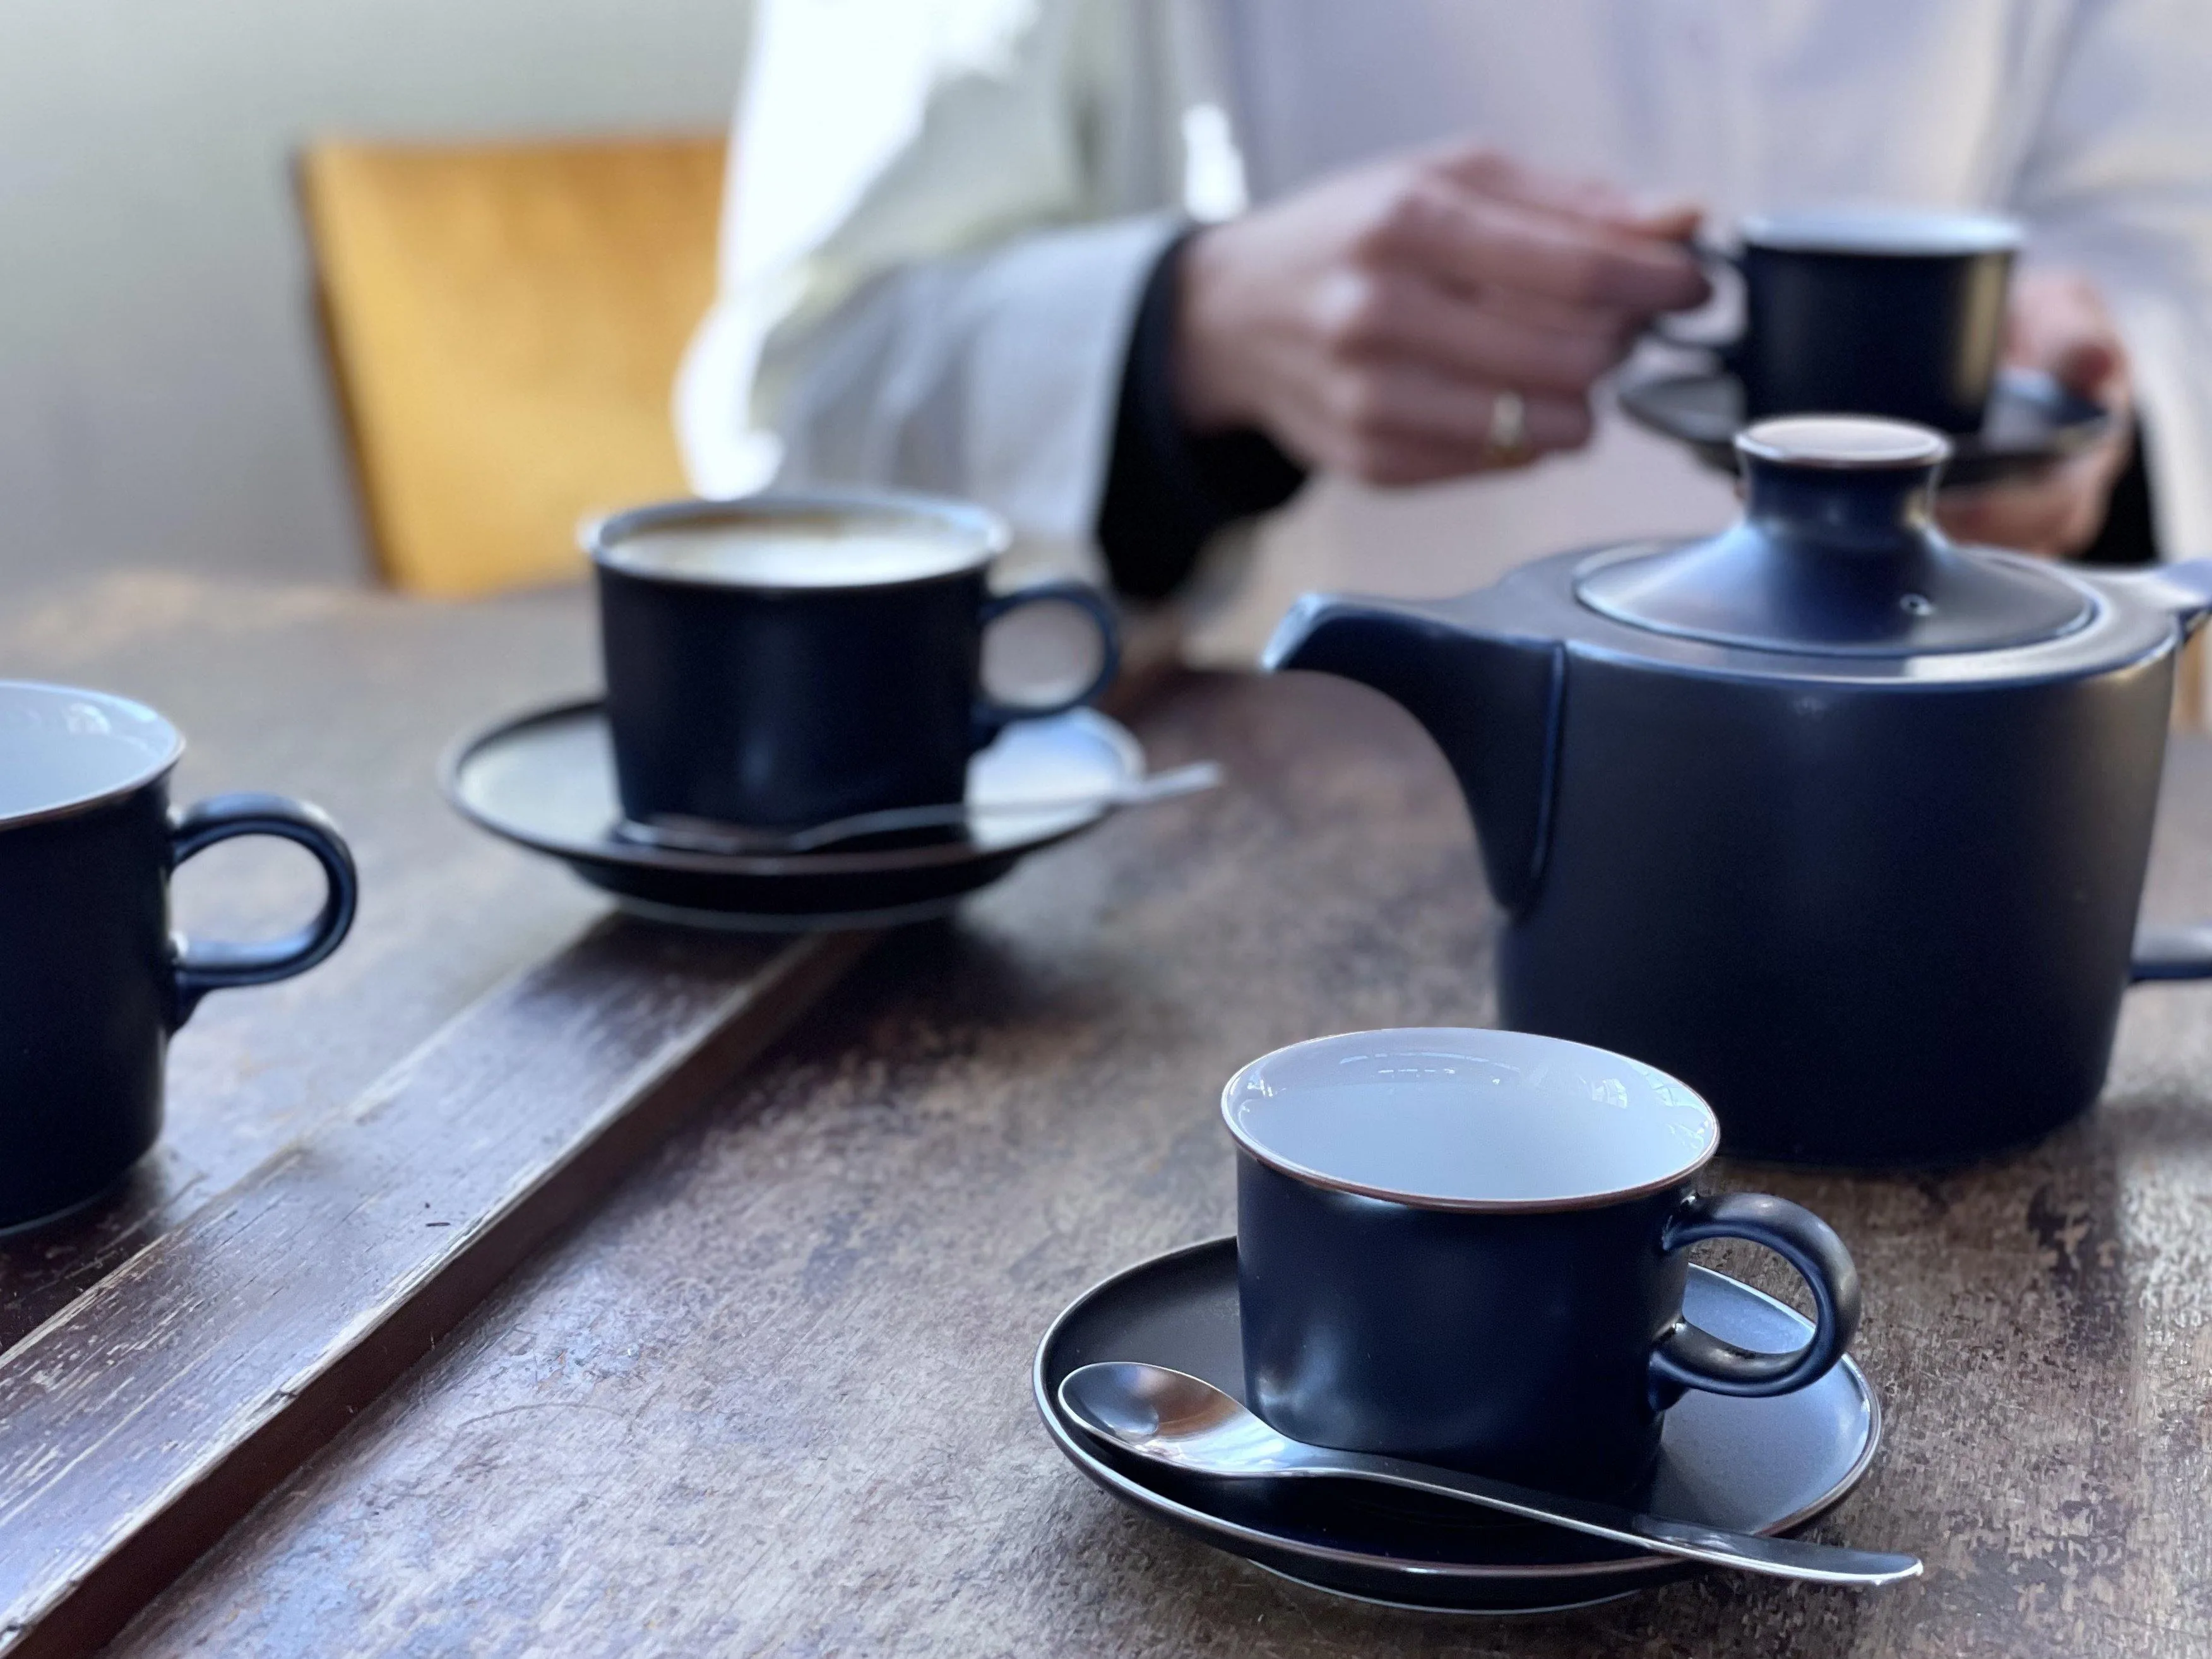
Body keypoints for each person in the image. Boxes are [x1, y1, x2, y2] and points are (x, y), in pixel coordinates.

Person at [678, 1, 2210, 661]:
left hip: (1924, 808)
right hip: (1274, 849)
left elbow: (2155, 238)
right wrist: (1183, 342)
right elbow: (798, 399)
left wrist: (2096, 428)